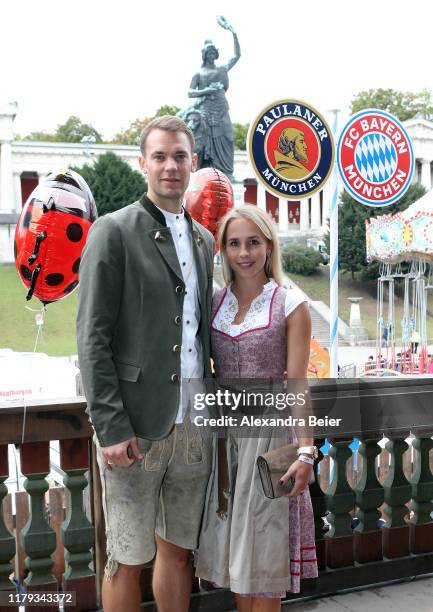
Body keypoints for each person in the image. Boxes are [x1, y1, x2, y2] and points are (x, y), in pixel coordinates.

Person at [77, 115, 215, 612]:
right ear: (143, 163)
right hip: (134, 427)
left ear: (193, 163)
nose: (171, 166)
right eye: (160, 156)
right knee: (127, 558)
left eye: (180, 156)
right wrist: (110, 426)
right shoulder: (113, 232)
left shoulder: (204, 240)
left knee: (178, 552)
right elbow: (92, 338)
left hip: (194, 425)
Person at [196, 205, 318, 611]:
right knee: (238, 561)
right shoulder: (214, 301)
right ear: (224, 250)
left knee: (263, 563)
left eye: (253, 242)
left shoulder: (290, 303)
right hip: (225, 441)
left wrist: (305, 450)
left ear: (269, 245)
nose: (244, 253)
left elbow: (297, 383)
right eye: (234, 243)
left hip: (268, 439)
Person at [188, 16, 240, 178]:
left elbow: (237, 55)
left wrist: (233, 32)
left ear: (216, 54)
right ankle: (203, 173)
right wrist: (208, 90)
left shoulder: (222, 69)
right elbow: (190, 92)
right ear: (204, 54)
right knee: (202, 146)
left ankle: (226, 174)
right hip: (205, 113)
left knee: (227, 139)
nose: (211, 55)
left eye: (213, 52)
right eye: (208, 52)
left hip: (222, 110)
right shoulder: (199, 73)